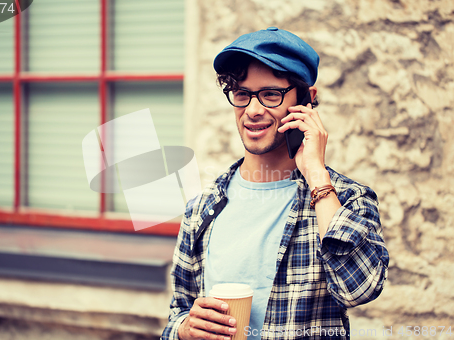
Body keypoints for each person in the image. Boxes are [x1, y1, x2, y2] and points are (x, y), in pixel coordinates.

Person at [161, 27, 389, 340]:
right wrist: (185, 329)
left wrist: (316, 174)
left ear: (306, 100)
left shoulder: (346, 199)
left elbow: (359, 290)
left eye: (271, 94)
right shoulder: (201, 209)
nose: (253, 111)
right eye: (242, 94)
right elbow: (178, 313)